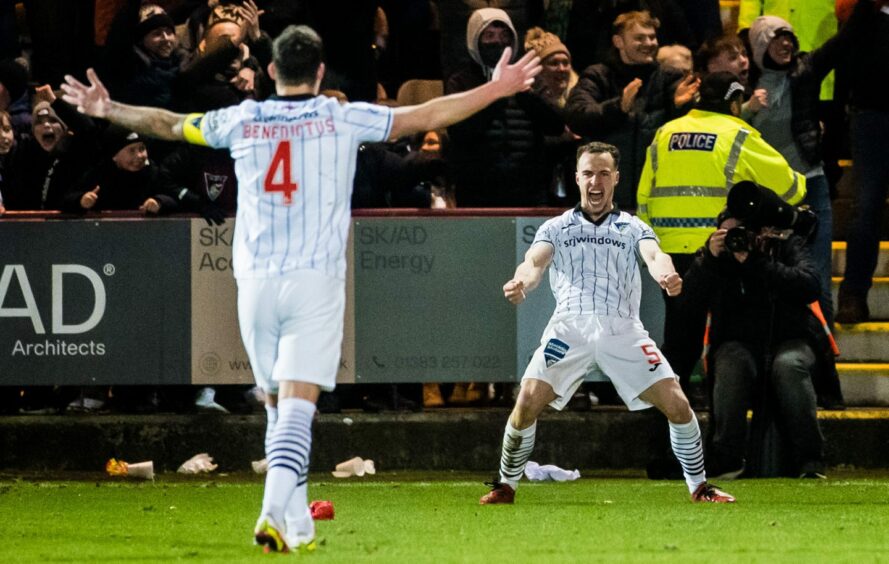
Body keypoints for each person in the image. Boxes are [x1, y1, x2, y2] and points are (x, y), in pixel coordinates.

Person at [62, 24, 542, 553]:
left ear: (270, 71)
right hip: (312, 280)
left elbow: (170, 125)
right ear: (319, 73)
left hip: (254, 282)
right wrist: (498, 87)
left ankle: (296, 523)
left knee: (275, 405)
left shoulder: (241, 119)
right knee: (295, 406)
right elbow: (427, 115)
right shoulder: (341, 118)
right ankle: (271, 512)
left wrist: (110, 111)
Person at [479, 141, 735, 506]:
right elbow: (534, 263)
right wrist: (522, 282)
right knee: (525, 405)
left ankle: (700, 487)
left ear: (615, 178)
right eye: (588, 174)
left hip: (623, 330)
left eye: (603, 174)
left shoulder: (633, 228)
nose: (595, 182)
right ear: (577, 178)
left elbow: (654, 256)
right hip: (570, 329)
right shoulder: (557, 227)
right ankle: (505, 485)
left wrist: (667, 275)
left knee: (678, 404)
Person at [636, 71, 806, 386]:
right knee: (722, 331)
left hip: (669, 250)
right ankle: (718, 400)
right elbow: (791, 189)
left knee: (680, 331)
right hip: (718, 248)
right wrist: (802, 182)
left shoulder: (666, 132)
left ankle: (669, 409)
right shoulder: (738, 134)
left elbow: (644, 194)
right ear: (735, 102)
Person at [681, 187, 828, 479]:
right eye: (729, 233)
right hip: (738, 343)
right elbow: (688, 300)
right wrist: (710, 257)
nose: (737, 240)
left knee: (789, 366)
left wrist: (757, 262)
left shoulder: (782, 245)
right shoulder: (715, 258)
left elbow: (810, 285)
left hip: (791, 338)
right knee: (731, 363)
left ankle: (810, 460)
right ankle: (726, 459)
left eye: (742, 232)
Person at [746, 12, 861, 328]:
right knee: (770, 273)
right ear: (759, 46)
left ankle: (824, 346)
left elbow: (841, 43)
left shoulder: (805, 70)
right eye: (776, 38)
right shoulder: (743, 83)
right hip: (768, 195)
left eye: (789, 38)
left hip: (811, 184)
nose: (785, 44)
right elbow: (725, 126)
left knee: (818, 272)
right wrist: (747, 109)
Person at [565, 10, 699, 209]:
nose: (649, 43)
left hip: (656, 198)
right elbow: (577, 115)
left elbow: (688, 129)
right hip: (604, 197)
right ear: (618, 42)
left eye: (652, 37)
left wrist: (680, 107)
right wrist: (618, 107)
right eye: (639, 38)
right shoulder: (598, 75)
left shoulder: (670, 78)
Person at [446, 8, 564, 207]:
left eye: (503, 35)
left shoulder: (529, 77)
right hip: (477, 197)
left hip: (529, 194)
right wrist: (498, 93)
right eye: (489, 36)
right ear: (474, 40)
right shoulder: (460, 82)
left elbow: (556, 125)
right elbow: (459, 133)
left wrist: (522, 92)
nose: (497, 42)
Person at [834, 0, 889, 323]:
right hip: (871, 118)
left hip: (870, 119)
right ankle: (853, 293)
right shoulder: (865, 13)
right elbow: (838, 55)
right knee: (866, 206)